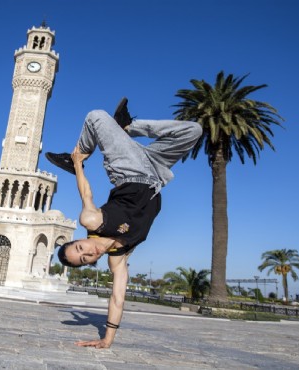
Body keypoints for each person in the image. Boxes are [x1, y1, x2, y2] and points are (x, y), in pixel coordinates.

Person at [46, 97, 202, 349]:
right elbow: (117, 297)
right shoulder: (118, 257)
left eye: (80, 248)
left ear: (79, 239)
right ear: (92, 263)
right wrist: (107, 338)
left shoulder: (92, 221)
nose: (88, 252)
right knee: (195, 131)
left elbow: (86, 194)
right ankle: (126, 127)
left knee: (95, 116)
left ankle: (82, 151)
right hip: (158, 170)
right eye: (85, 259)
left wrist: (77, 165)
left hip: (129, 169)